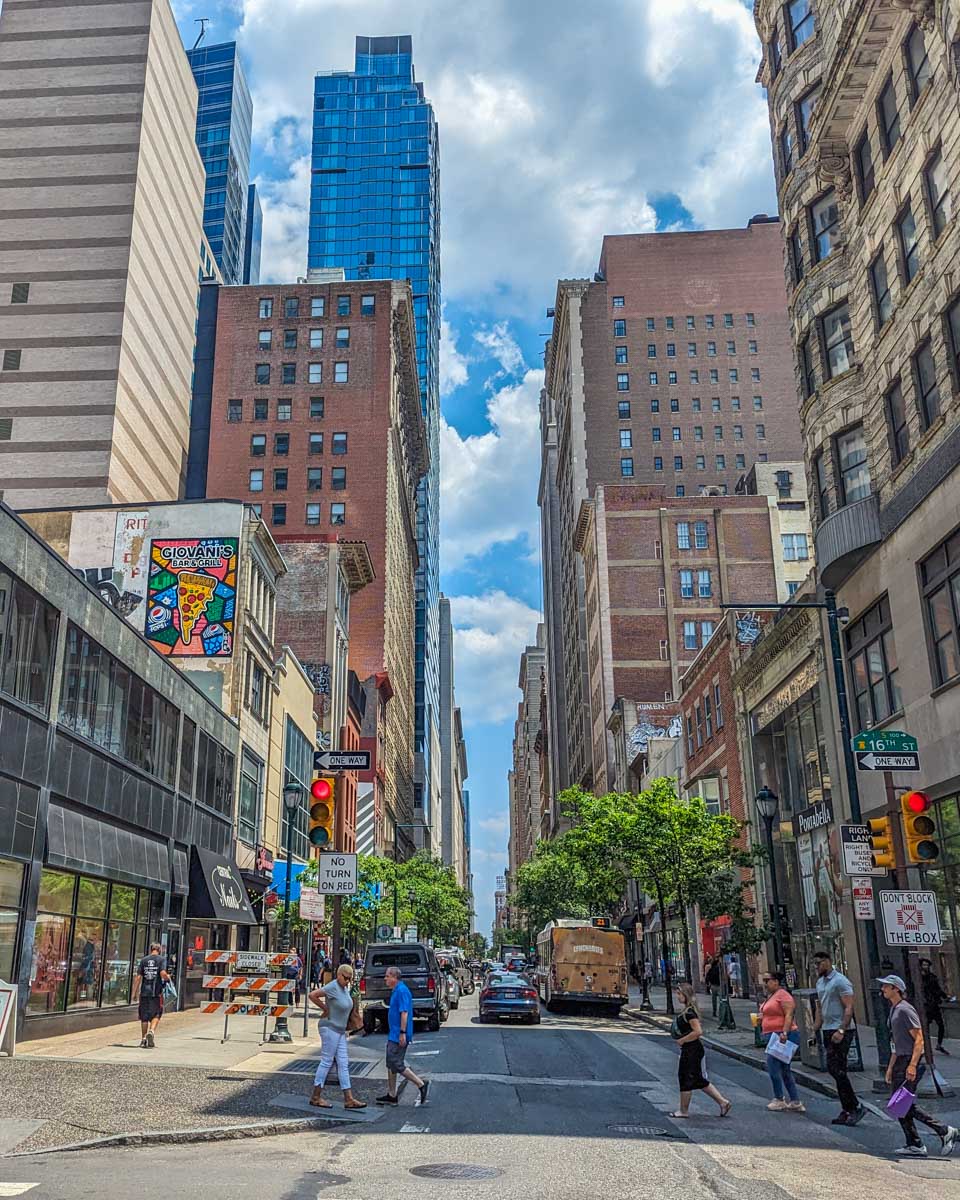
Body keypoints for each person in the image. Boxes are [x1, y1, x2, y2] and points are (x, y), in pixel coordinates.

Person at [879, 973, 957, 1158]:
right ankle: (914, 1143)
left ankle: (944, 1130)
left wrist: (912, 1065)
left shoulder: (905, 1010)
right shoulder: (894, 1009)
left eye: (886, 986)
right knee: (899, 1104)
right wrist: (890, 1067)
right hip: (900, 1060)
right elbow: (895, 1044)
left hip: (908, 1060)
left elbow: (919, 1039)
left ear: (896, 989)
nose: (882, 989)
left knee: (902, 1104)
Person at [812, 950, 864, 1125]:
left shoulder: (841, 981)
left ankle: (854, 1106)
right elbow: (820, 1008)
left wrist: (842, 1030)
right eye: (815, 964)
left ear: (828, 962)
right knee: (835, 1069)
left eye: (819, 963)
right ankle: (847, 1108)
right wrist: (815, 1029)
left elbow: (849, 1007)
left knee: (837, 1069)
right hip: (827, 1029)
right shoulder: (820, 983)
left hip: (841, 1030)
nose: (817, 966)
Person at [668, 982, 732, 1119]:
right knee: (697, 1079)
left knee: (686, 1078)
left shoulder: (690, 1013)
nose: (677, 996)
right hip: (690, 1049)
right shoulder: (687, 1011)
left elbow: (698, 1032)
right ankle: (723, 1102)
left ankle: (683, 1111)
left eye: (679, 994)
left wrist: (683, 1040)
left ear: (686, 995)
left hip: (692, 1050)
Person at [308, 963, 367, 1110]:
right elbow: (312, 995)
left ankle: (349, 1098)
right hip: (329, 1028)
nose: (347, 981)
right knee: (327, 1061)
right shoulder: (333, 987)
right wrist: (325, 1008)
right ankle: (316, 1096)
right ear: (339, 975)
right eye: (345, 978)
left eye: (350, 978)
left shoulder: (344, 988)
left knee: (343, 1063)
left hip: (339, 1030)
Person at [376, 965, 429, 1107]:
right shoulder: (396, 990)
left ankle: (420, 1084)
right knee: (391, 1064)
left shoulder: (402, 991)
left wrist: (402, 1033)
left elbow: (404, 1012)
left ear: (394, 977)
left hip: (398, 1033)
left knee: (396, 1063)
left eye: (387, 976)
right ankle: (392, 1095)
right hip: (394, 1033)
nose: (385, 978)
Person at [760, 971, 804, 1112]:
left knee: (773, 1066)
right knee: (785, 1069)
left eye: (767, 980)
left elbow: (789, 1014)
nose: (765, 984)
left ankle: (779, 1098)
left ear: (776, 981)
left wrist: (785, 1032)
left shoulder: (784, 996)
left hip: (782, 1035)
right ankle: (795, 1100)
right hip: (774, 1034)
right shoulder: (772, 996)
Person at [133, 942, 169, 1049]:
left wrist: (134, 993)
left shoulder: (144, 960)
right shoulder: (161, 960)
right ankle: (152, 1031)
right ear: (159, 950)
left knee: (144, 1016)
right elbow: (162, 973)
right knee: (156, 1014)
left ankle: (143, 1039)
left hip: (144, 992)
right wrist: (168, 978)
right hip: (156, 992)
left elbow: (138, 977)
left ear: (150, 949)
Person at [920, 959, 951, 1055]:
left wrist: (945, 996)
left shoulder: (932, 977)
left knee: (940, 1025)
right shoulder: (919, 978)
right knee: (925, 1026)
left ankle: (939, 1044)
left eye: (927, 965)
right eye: (924, 965)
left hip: (934, 1004)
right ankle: (924, 1046)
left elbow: (937, 989)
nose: (925, 967)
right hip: (926, 1005)